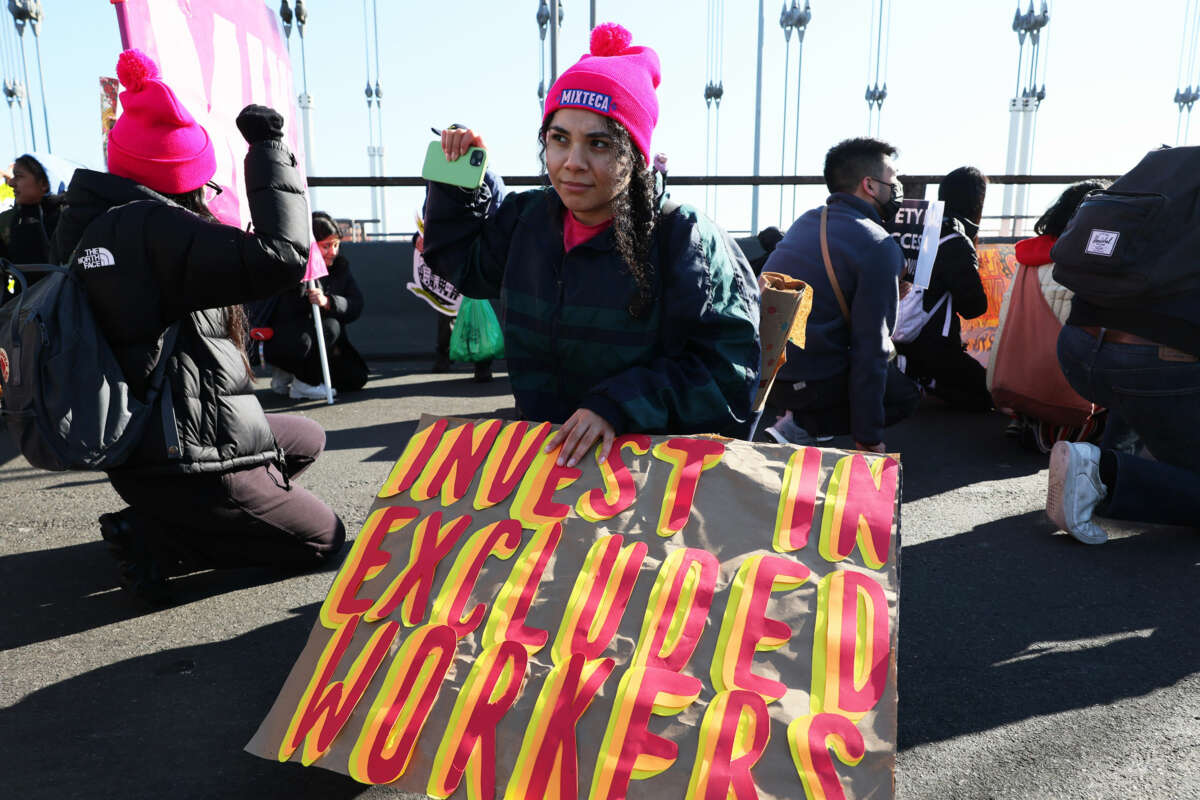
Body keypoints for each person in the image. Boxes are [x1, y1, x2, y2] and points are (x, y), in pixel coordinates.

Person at [52, 49, 345, 603]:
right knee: (327, 541)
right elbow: (283, 254)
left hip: (137, 443)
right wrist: (267, 147)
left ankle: (198, 518)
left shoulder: (92, 225)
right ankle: (160, 537)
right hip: (187, 456)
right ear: (182, 176)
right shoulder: (156, 231)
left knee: (305, 437)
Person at [423, 22, 760, 467]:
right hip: (546, 469)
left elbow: (727, 375)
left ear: (636, 156)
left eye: (599, 143)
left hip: (645, 482)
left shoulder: (684, 236)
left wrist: (617, 405)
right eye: (558, 139)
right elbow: (463, 267)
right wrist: (459, 177)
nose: (572, 163)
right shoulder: (526, 219)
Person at [1047, 200, 1200, 544]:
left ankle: (1106, 459)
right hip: (1148, 362)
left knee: (1139, 376)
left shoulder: (1172, 179)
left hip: (1077, 343)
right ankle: (1103, 475)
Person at [759, 137, 920, 452]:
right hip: (806, 383)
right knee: (903, 395)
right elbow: (871, 348)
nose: (897, 187)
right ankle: (804, 425)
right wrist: (868, 438)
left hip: (767, 377)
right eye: (893, 179)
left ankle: (799, 417)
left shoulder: (807, 221)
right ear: (869, 185)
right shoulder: (879, 245)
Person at [991, 180, 1110, 451]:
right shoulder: (1089, 263)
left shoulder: (1026, 257)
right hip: (1059, 388)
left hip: (1012, 377)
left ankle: (1027, 419)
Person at [894, 166, 992, 411]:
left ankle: (907, 371)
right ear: (976, 202)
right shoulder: (954, 240)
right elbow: (973, 307)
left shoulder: (902, 230)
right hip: (932, 349)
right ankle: (924, 377)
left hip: (883, 338)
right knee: (987, 395)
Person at [263, 211, 369, 398]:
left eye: (336, 244)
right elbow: (286, 312)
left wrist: (329, 302)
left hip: (325, 346)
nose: (333, 252)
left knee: (355, 377)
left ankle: (295, 373)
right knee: (331, 327)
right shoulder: (293, 267)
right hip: (291, 340)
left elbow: (356, 304)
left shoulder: (341, 267)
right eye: (326, 246)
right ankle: (302, 381)